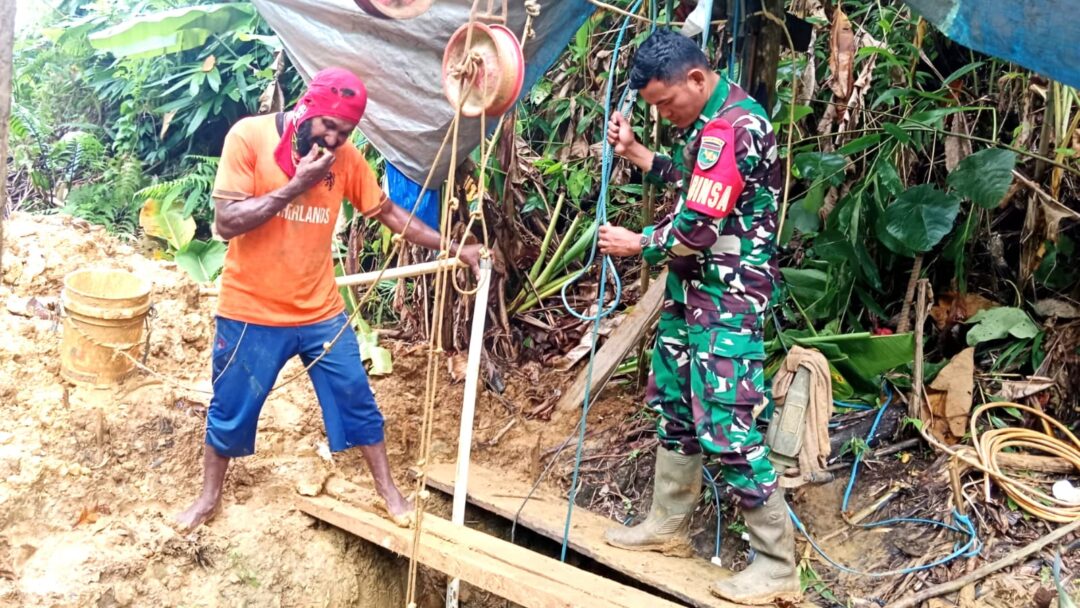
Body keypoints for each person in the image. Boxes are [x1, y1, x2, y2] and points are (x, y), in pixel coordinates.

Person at [176, 67, 482, 531]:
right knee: (230, 407)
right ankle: (207, 498)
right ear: (306, 109)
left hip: (321, 311)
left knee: (356, 397)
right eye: (329, 126)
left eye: (346, 131)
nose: (336, 139)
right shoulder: (249, 138)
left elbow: (390, 213)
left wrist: (456, 248)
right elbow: (227, 223)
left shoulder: (346, 160)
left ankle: (389, 493)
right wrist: (298, 183)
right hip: (250, 310)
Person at [597, 30, 798, 605]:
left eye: (666, 103)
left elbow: (698, 227)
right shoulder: (709, 121)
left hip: (728, 301)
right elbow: (696, 186)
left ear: (696, 78)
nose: (663, 113)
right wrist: (638, 154)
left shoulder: (733, 127)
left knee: (729, 427)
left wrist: (640, 242)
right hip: (695, 294)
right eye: (654, 107)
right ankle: (666, 525)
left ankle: (777, 565)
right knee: (678, 410)